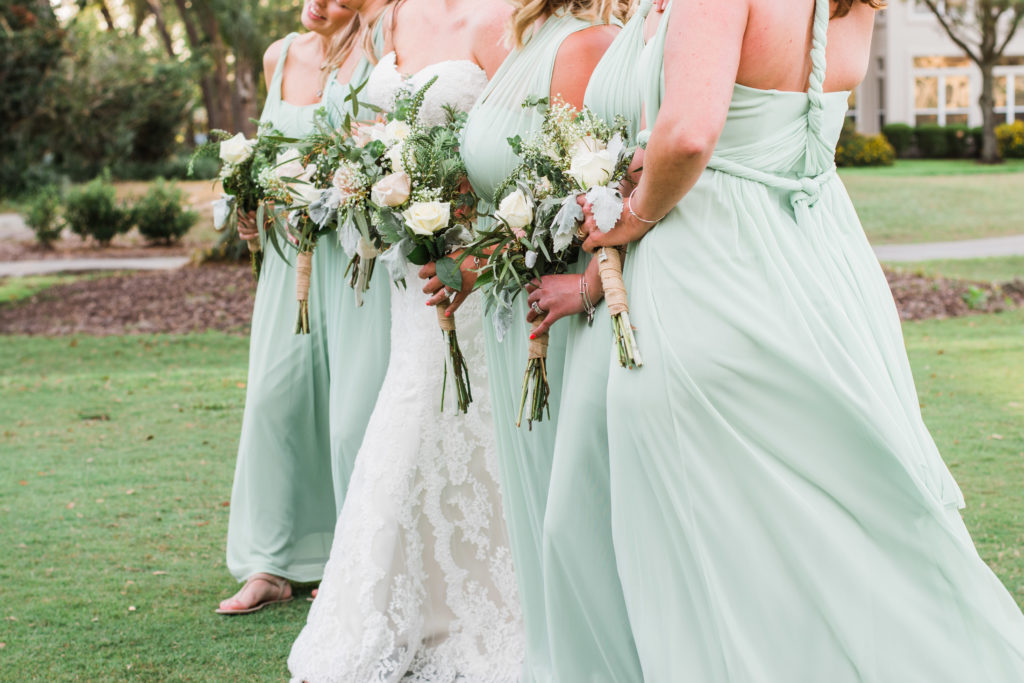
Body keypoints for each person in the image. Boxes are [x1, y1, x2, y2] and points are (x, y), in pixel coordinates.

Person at [569, 0, 1024, 679]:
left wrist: (631, 216)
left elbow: (691, 135)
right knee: (847, 511)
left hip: (713, 263)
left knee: (712, 533)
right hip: (820, 266)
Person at [286, 1, 519, 680]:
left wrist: (467, 229)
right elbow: (367, 122)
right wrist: (368, 179)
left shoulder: (503, 19)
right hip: (406, 262)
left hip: (475, 261)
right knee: (413, 403)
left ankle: (497, 596)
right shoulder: (393, 16)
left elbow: (518, 142)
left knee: (472, 421)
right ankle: (394, 605)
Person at [444, 3, 621, 679]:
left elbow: (573, 201)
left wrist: (480, 263)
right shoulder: (520, 43)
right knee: (533, 505)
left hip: (562, 311)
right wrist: (469, 263)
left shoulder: (582, 46)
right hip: (510, 304)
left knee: (567, 511)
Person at [218, 0, 362, 615]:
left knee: (352, 403)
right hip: (287, 261)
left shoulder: (380, 53)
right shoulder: (280, 56)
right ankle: (270, 564)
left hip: (358, 258)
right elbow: (268, 156)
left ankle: (353, 559)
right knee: (275, 398)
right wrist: (250, 211)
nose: (318, 4)